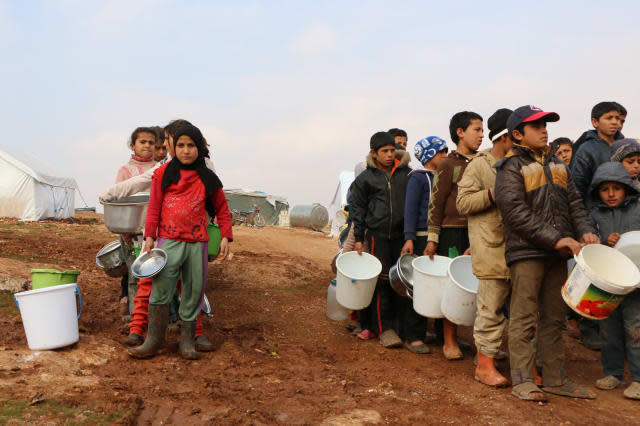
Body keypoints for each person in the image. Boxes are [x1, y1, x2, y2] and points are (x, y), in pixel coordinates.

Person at [494, 105, 599, 402]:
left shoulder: (559, 165)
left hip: (558, 253)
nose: (544, 129)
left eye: (545, 124)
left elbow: (576, 205)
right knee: (524, 317)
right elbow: (515, 213)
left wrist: (586, 231)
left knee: (554, 318)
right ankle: (523, 380)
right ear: (517, 134)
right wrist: (556, 239)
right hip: (528, 253)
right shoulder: (510, 167)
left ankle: (554, 379)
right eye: (536, 125)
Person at [129, 123, 232, 360]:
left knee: (194, 290)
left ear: (199, 148)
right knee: (161, 287)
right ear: (173, 147)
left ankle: (187, 342)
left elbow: (222, 208)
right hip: (169, 241)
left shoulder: (208, 177)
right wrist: (149, 236)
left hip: (197, 243)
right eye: (181, 145)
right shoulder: (163, 173)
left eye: (191, 145)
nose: (186, 151)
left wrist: (226, 234)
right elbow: (154, 207)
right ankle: (153, 340)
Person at [456, 108, 512, 386]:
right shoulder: (480, 165)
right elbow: (463, 203)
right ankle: (485, 366)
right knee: (490, 310)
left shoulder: (524, 162)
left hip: (522, 249)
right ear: (504, 136)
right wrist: (492, 193)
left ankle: (527, 367)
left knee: (527, 312)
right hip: (490, 248)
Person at [425, 111, 482, 360]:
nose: (482, 135)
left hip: (479, 233)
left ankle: (483, 343)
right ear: (460, 132)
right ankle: (449, 340)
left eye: (483, 131)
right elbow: (436, 203)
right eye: (476, 130)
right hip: (452, 233)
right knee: (453, 285)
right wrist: (432, 238)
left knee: (482, 286)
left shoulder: (484, 163)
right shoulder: (448, 164)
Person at [351, 131, 411, 348]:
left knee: (402, 281)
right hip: (377, 236)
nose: (389, 154)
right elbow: (358, 210)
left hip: (402, 236)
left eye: (391, 150)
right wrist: (359, 238)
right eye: (384, 151)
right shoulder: (365, 179)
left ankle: (401, 327)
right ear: (373, 153)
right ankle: (384, 329)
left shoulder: (406, 175)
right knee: (381, 281)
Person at [588, 162, 640, 400]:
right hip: (606, 282)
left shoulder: (638, 210)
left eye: (616, 188)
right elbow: (588, 242)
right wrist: (601, 239)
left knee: (635, 330)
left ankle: (638, 379)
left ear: (627, 189)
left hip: (635, 284)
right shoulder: (594, 215)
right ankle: (613, 373)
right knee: (608, 330)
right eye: (604, 189)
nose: (610, 194)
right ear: (596, 191)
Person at [398, 136, 448, 353]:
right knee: (418, 286)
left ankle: (440, 333)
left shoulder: (443, 177)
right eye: (441, 153)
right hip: (420, 236)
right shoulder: (417, 179)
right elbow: (409, 210)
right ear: (429, 156)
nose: (445, 157)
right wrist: (409, 237)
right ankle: (414, 335)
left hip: (440, 236)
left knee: (441, 286)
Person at [115, 127, 157, 315]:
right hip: (131, 233)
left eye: (151, 142)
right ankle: (135, 318)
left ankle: (156, 318)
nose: (147, 145)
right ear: (133, 145)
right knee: (134, 275)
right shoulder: (125, 171)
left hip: (155, 233)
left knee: (156, 275)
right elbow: (118, 199)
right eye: (142, 142)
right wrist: (125, 231)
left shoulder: (160, 169)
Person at [571, 101, 627, 204]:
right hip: (596, 213)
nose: (615, 122)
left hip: (625, 211)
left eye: (617, 118)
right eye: (609, 118)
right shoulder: (586, 150)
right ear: (595, 122)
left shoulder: (626, 146)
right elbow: (578, 189)